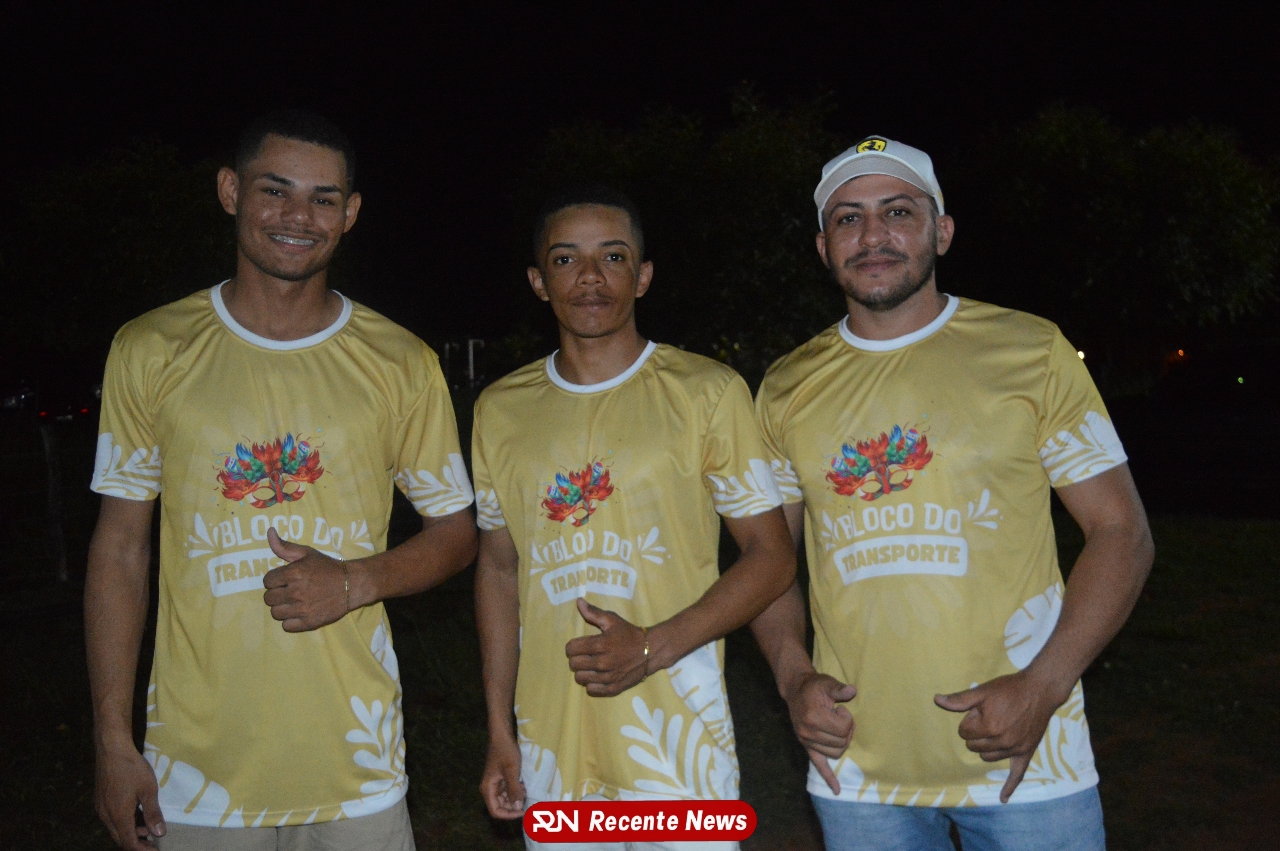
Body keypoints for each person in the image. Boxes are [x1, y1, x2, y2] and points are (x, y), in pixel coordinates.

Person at [85, 109, 478, 851]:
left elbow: (456, 534)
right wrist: (112, 738)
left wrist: (354, 581)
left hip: (357, 766)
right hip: (195, 773)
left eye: (323, 198)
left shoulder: (401, 361)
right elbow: (120, 550)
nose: (299, 216)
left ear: (350, 213)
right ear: (231, 191)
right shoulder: (150, 347)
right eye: (276, 190)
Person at [750, 137, 1154, 851]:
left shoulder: (1031, 350)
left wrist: (1042, 687)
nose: (872, 235)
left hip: (1027, 761)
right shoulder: (785, 386)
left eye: (897, 211)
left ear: (942, 231)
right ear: (822, 246)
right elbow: (767, 559)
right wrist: (793, 677)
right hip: (858, 771)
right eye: (848, 218)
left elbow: (1122, 533)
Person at [472, 187, 796, 850]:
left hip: (678, 737)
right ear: (539, 281)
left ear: (642, 276)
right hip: (553, 744)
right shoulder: (500, 410)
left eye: (613, 256)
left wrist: (651, 646)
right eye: (566, 259)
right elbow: (499, 570)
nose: (590, 276)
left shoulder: (707, 392)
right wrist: (500, 731)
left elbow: (772, 557)